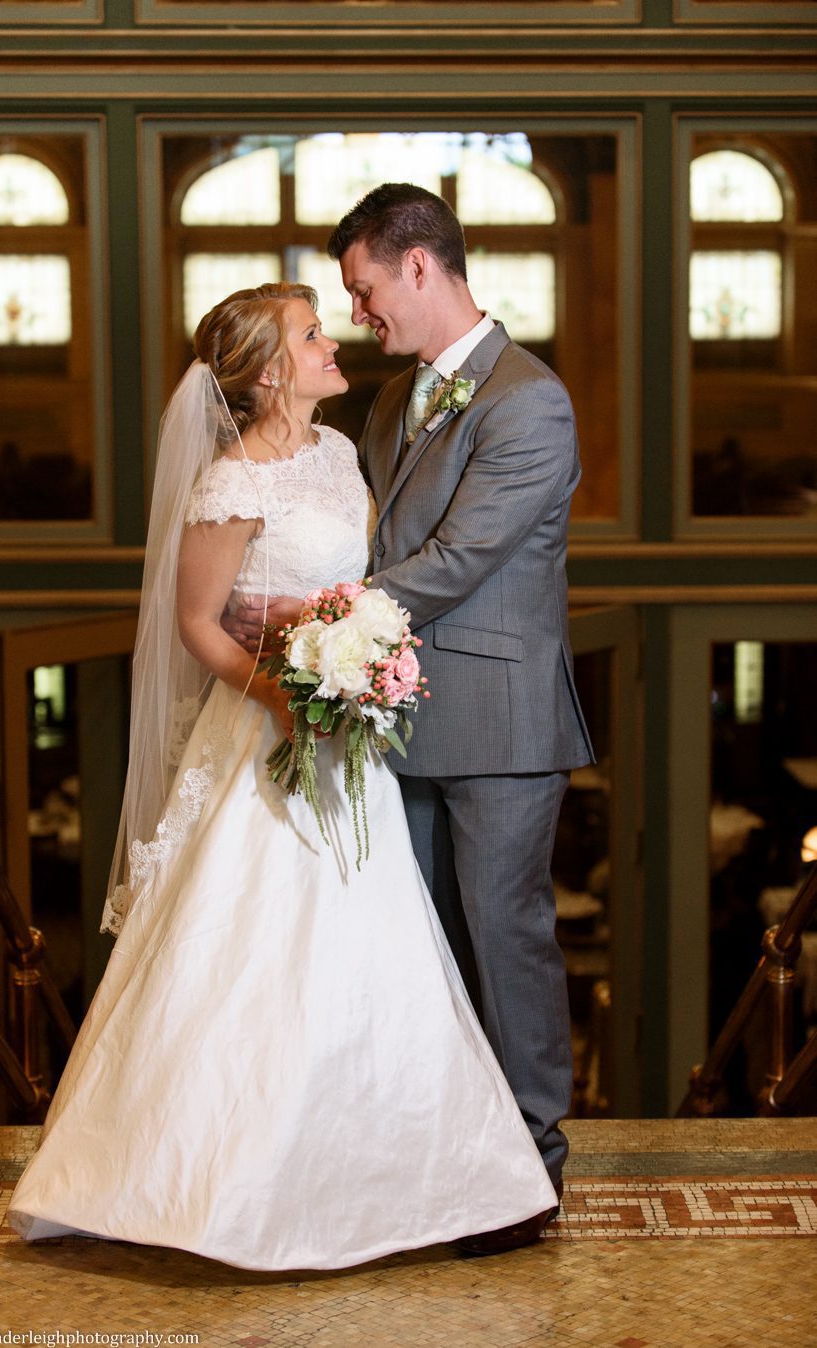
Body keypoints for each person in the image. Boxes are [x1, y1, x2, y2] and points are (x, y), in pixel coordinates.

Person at [7, 282, 556, 1271]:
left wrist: (354, 658)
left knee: (372, 950)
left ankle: (380, 1173)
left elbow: (362, 584)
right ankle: (215, 1179)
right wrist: (281, 693)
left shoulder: (342, 452)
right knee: (252, 948)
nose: (332, 340)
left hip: (351, 739)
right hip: (267, 731)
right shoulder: (229, 483)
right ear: (268, 372)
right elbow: (197, 623)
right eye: (311, 334)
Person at [232, 187, 595, 1255]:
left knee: (503, 936)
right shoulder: (392, 400)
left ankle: (530, 1169)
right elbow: (371, 538)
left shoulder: (531, 402)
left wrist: (309, 614)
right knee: (422, 946)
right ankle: (446, 1154)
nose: (357, 313)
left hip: (500, 723)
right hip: (389, 714)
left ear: (421, 267)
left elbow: (458, 560)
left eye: (364, 289)